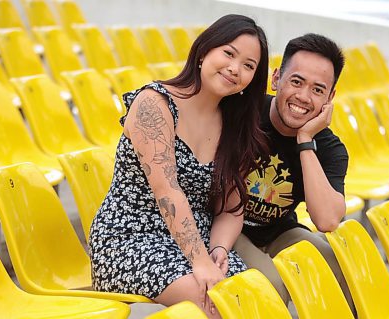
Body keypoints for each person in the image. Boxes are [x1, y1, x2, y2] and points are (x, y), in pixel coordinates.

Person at [88, 14, 269, 318]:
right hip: (131, 237)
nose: (235, 69)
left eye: (249, 66)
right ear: (203, 52)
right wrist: (200, 261)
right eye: (228, 53)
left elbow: (231, 209)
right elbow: (166, 191)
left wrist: (219, 251)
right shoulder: (154, 103)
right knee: (214, 304)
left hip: (198, 240)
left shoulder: (235, 126)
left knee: (252, 299)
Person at [233, 33, 355, 312]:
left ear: (330, 97)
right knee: (271, 284)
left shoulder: (329, 147)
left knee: (339, 265)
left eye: (317, 89)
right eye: (296, 82)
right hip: (227, 224)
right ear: (276, 79)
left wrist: (305, 141)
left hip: (277, 230)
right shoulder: (242, 112)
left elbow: (327, 220)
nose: (303, 97)